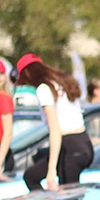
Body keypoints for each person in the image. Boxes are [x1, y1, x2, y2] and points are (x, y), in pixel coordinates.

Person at [17, 53, 93, 189]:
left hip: (69, 146)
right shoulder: (63, 82)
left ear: (27, 74)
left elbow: (55, 129)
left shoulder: (44, 89)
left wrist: (51, 170)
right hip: (83, 142)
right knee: (31, 176)